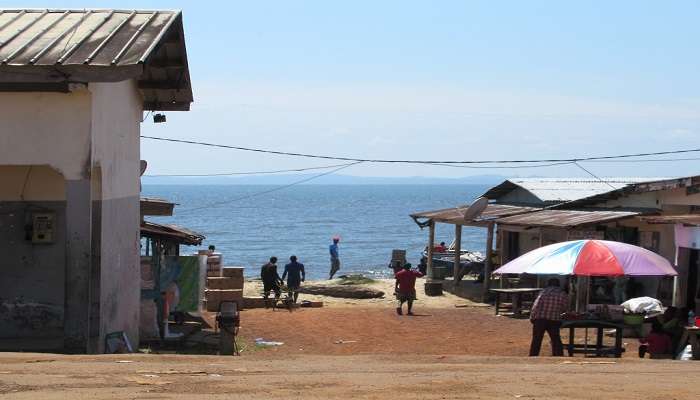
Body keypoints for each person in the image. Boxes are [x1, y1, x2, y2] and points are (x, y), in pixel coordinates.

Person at [529, 278, 569, 356]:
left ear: (548, 284)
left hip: (540, 319)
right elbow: (565, 308)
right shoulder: (562, 294)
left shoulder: (543, 292)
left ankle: (533, 355)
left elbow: (535, 306)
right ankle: (558, 355)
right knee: (555, 339)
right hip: (554, 319)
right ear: (558, 285)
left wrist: (532, 317)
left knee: (536, 339)